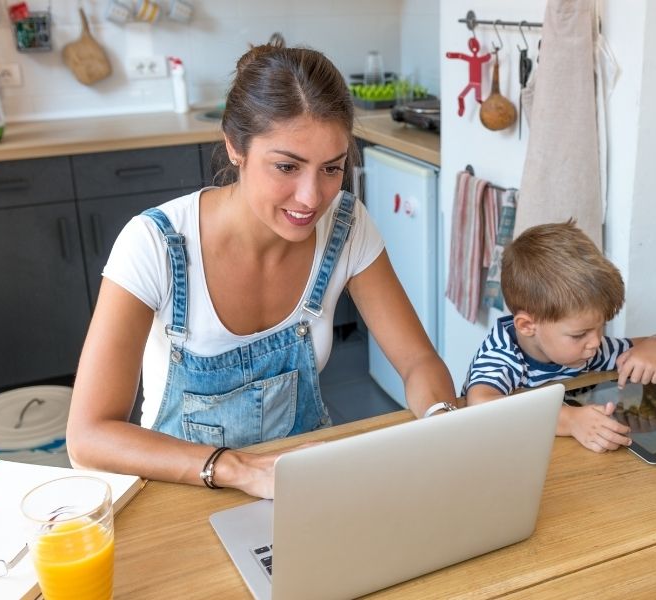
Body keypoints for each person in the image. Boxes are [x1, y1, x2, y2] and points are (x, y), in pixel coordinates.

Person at [67, 35, 455, 499]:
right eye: (287, 167)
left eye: (332, 168)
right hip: (180, 485)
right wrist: (240, 470)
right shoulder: (154, 244)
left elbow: (417, 361)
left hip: (302, 484)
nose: (312, 198)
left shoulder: (346, 227)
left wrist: (444, 424)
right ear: (235, 147)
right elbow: (88, 437)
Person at [463, 220, 656, 454]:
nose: (596, 342)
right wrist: (570, 420)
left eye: (601, 327)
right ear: (527, 326)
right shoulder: (502, 356)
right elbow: (479, 405)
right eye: (579, 334)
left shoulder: (586, 350)